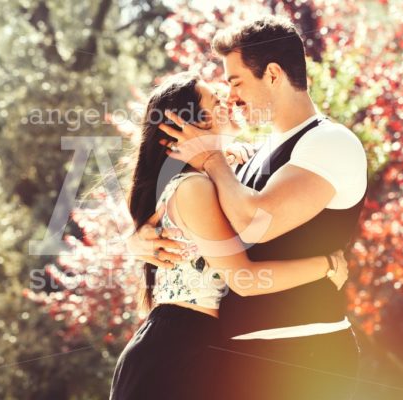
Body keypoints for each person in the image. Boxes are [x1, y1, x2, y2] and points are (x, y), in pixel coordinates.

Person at [149, 14, 368, 400]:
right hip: (244, 361)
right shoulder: (253, 155)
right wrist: (141, 240)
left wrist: (213, 160)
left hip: (306, 356)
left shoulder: (330, 143)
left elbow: (254, 223)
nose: (230, 97)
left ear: (272, 74)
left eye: (236, 82)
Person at [110, 71, 350, 400]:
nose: (229, 101)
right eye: (216, 101)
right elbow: (245, 279)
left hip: (196, 349)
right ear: (187, 125)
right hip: (174, 357)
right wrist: (327, 265)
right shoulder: (194, 188)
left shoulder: (218, 175)